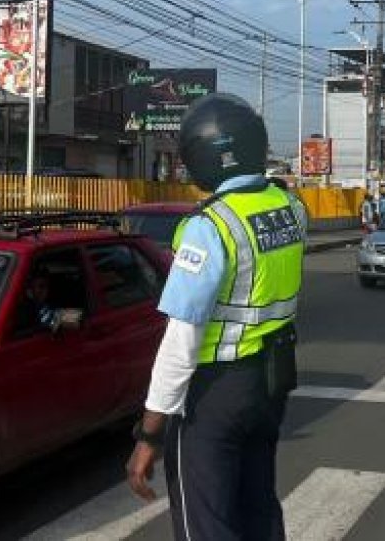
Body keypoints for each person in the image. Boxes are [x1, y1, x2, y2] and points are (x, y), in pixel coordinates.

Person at [127, 93, 306, 541]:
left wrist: (150, 433)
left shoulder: (211, 225)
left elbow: (181, 341)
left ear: (208, 156)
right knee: (258, 507)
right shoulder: (290, 208)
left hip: (215, 395)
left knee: (205, 524)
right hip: (271, 382)